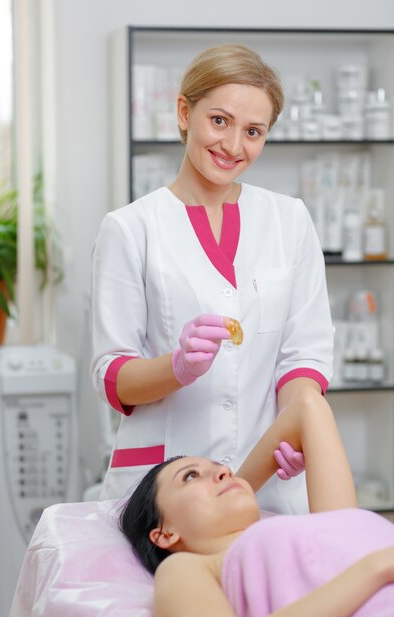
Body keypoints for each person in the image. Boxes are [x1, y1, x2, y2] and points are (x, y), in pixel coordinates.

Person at [90, 43, 333, 512]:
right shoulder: (130, 228)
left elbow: (304, 353)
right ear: (184, 112)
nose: (233, 146)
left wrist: (296, 428)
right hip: (166, 489)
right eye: (219, 121)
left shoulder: (290, 220)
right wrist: (175, 368)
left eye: (254, 131)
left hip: (267, 481)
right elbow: (111, 376)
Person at [119, 387, 394, 617]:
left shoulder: (330, 524)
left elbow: (307, 405)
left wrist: (239, 483)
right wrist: (376, 568)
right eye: (190, 476)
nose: (224, 471)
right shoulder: (186, 568)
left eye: (220, 467)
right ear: (165, 533)